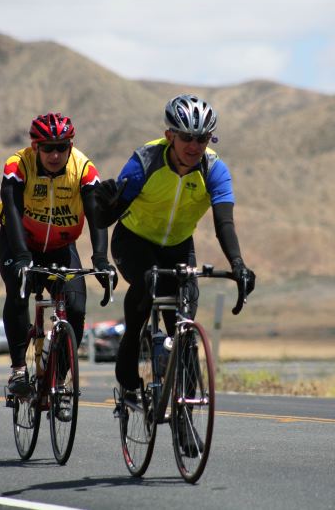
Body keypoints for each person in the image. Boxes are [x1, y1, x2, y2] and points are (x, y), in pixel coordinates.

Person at [91, 94, 255, 451]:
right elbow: (107, 219)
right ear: (170, 136)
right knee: (146, 288)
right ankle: (130, 380)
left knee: (184, 330)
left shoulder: (214, 170)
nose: (195, 145)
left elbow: (224, 222)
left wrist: (239, 265)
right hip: (133, 240)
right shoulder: (143, 162)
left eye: (203, 138)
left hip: (179, 244)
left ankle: (183, 419)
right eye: (187, 138)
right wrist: (104, 207)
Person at [0, 112, 116, 397]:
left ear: (70, 146)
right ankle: (17, 371)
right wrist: (23, 255)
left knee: (75, 309)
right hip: (19, 243)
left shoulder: (84, 169)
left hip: (62, 248)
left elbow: (96, 215)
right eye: (47, 147)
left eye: (62, 147)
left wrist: (100, 258)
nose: (55, 154)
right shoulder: (18, 165)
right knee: (17, 293)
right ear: (35, 146)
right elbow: (11, 210)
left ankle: (58, 381)